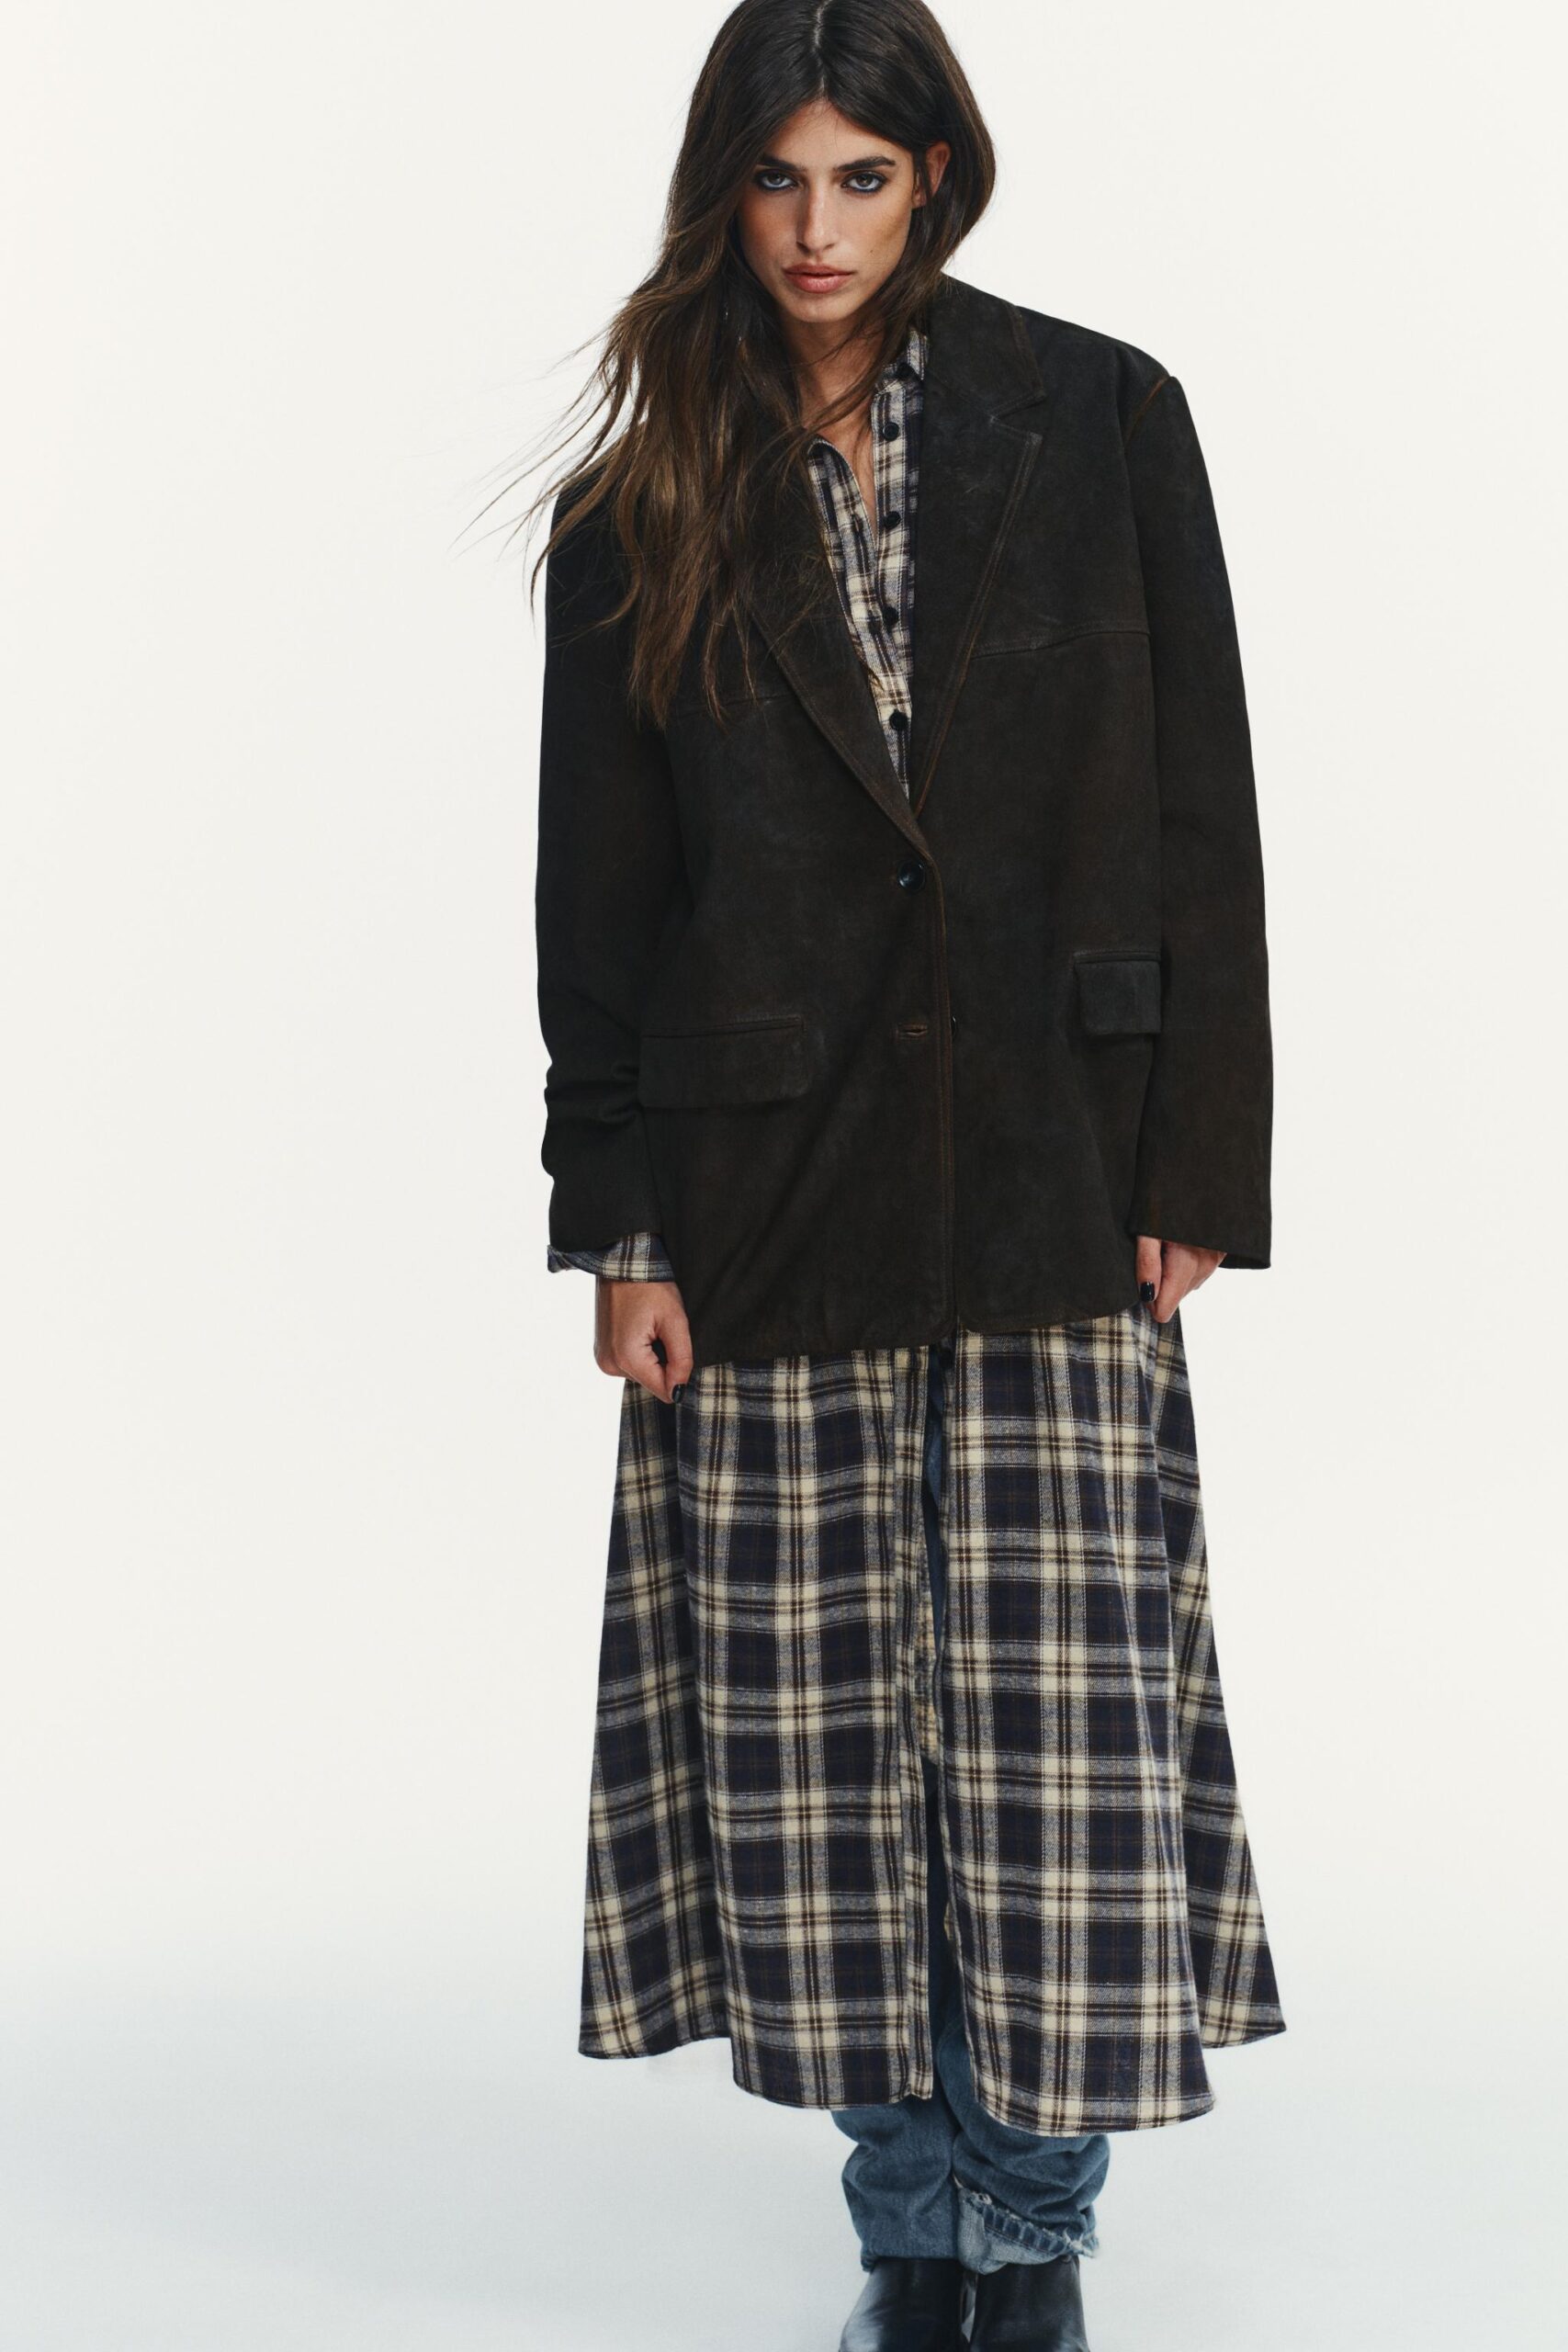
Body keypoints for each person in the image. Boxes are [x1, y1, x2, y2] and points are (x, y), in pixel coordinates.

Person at [528, 4, 1284, 2344]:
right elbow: (596, 905)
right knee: (822, 1749)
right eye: (776, 177)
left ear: (934, 176)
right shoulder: (640, 499)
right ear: (720, 188)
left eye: (860, 176)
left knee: (1050, 1751)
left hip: (1056, 1154)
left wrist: (1197, 1146)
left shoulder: (1101, 415)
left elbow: (1200, 803)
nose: (815, 227)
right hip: (764, 1186)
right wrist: (618, 1216)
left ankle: (1024, 2236)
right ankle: (904, 2219)